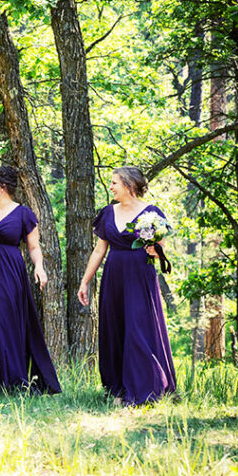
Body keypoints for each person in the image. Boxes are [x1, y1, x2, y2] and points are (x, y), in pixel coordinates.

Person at [77, 167, 177, 405]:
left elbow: (161, 247)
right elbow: (99, 250)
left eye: (114, 183)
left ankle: (144, 389)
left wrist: (155, 250)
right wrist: (85, 281)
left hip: (140, 276)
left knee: (138, 328)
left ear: (129, 185)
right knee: (115, 329)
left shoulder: (151, 213)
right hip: (114, 277)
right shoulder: (107, 213)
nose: (111, 187)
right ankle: (118, 389)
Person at [0, 166, 60, 395]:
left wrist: (39, 267)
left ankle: (2, 383)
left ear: (2, 186)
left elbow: (34, 247)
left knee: (1, 323)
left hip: (9, 272)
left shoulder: (23, 213)